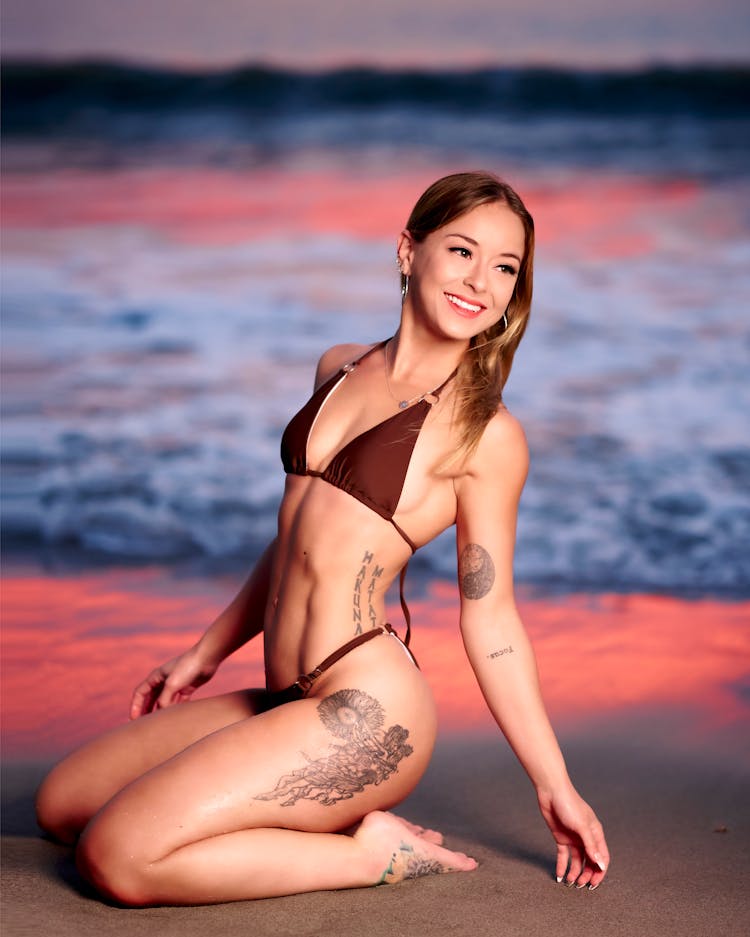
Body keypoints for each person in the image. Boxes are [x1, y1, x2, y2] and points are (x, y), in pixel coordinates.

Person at [35, 171, 610, 906]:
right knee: (62, 805)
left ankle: (371, 852)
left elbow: (490, 619)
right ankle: (310, 821)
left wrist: (554, 784)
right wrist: (206, 650)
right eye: (463, 251)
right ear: (408, 250)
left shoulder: (487, 434)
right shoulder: (338, 365)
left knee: (115, 855)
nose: (483, 282)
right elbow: (302, 538)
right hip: (283, 695)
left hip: (367, 709)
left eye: (506, 267)